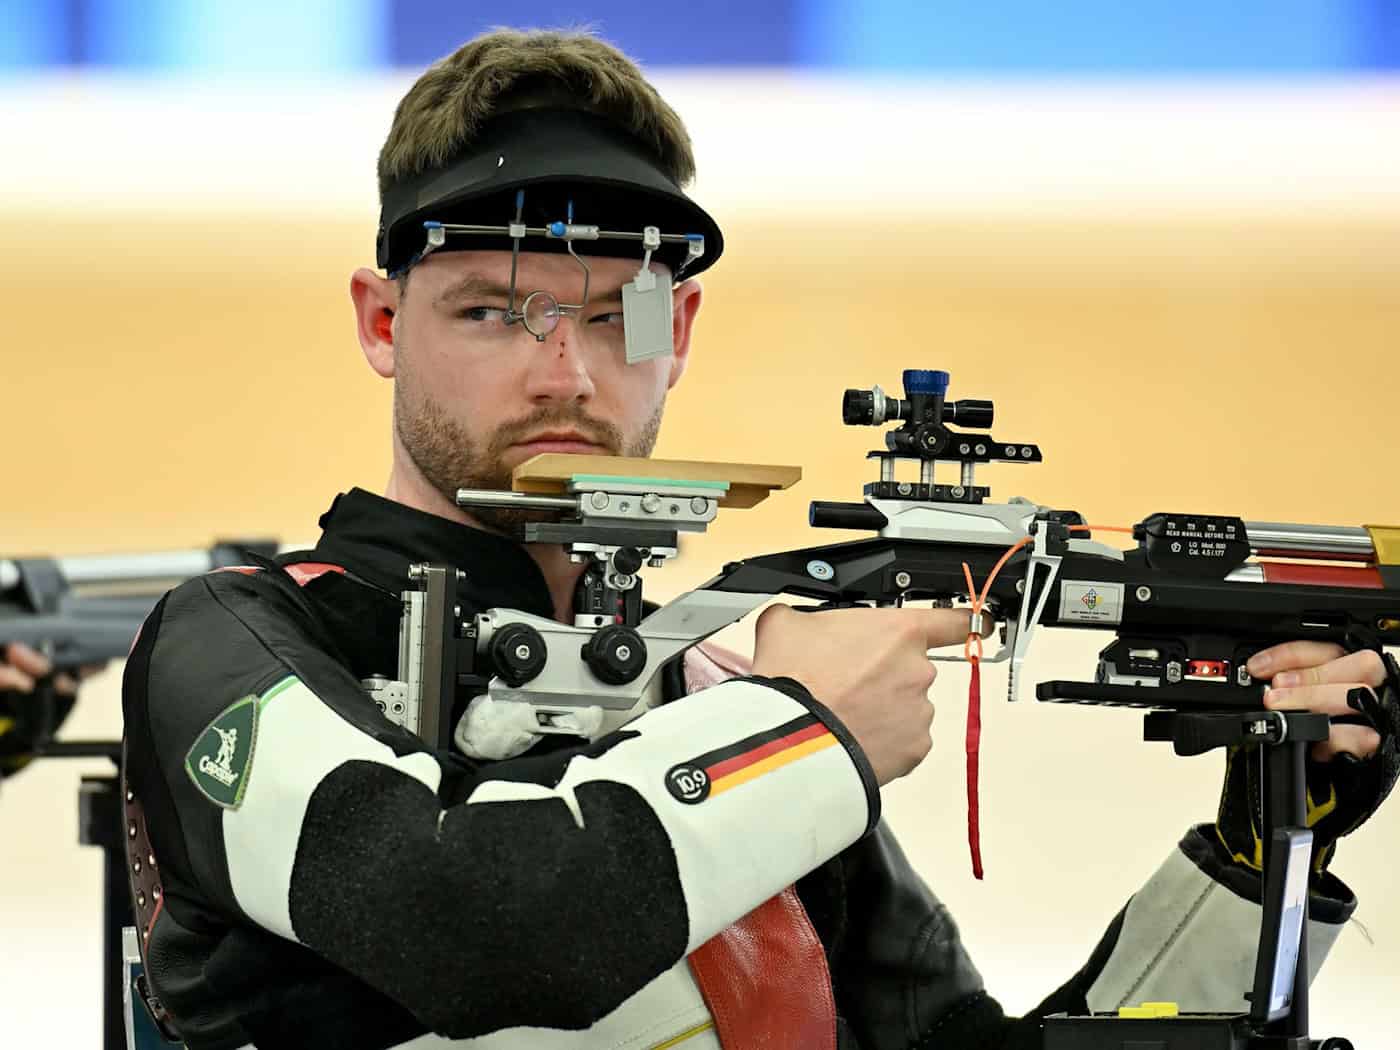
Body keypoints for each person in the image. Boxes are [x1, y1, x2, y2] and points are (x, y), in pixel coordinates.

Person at [13, 26, 1393, 1050]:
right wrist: (807, 730)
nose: (567, 373)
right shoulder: (243, 641)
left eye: (620, 315)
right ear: (383, 323)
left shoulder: (722, 712)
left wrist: (1259, 855)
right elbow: (478, 926)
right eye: (496, 311)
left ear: (685, 337)